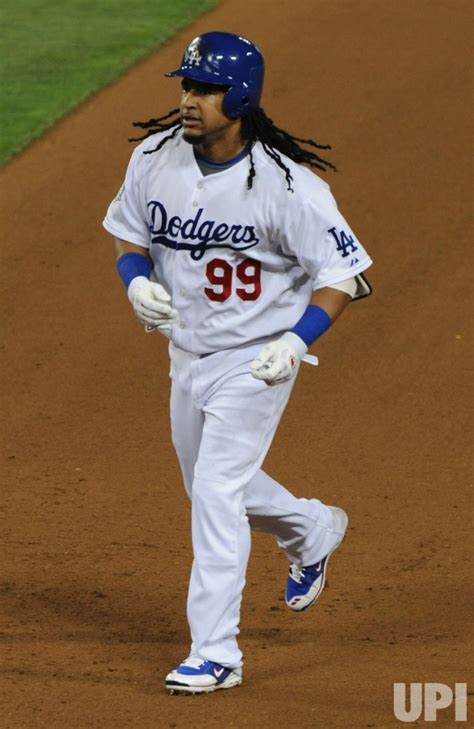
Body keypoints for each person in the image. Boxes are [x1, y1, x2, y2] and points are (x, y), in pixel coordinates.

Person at [103, 31, 372, 695]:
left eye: (204, 88)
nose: (189, 100)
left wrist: (297, 340)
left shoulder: (287, 186)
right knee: (208, 485)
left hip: (255, 362)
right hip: (186, 352)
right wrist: (135, 280)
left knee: (217, 492)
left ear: (242, 96)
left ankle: (216, 651)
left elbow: (345, 275)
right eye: (186, 86)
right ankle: (312, 528)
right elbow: (128, 230)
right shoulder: (156, 155)